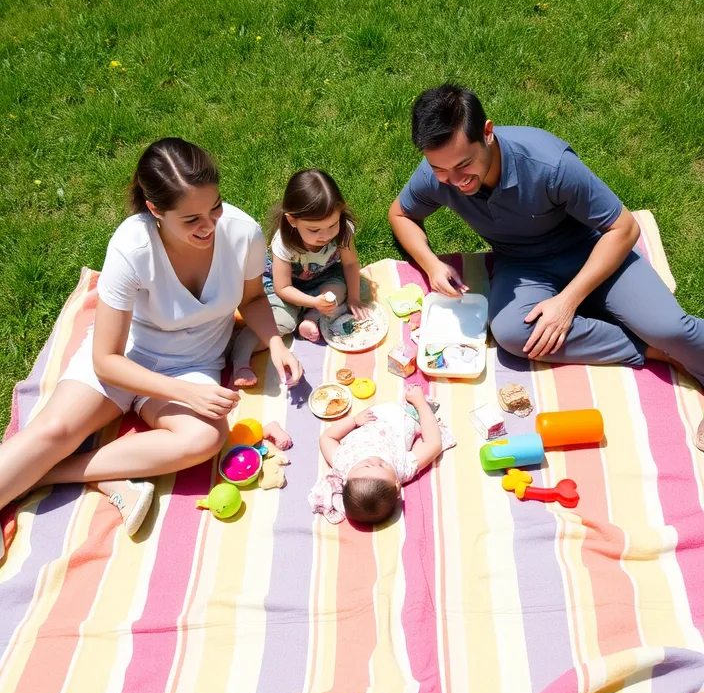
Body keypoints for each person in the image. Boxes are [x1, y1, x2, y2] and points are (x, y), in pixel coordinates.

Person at [0, 138, 303, 559]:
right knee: (52, 432)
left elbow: (252, 300)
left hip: (193, 362)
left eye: (215, 207)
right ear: (154, 210)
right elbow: (106, 359)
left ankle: (48, 475)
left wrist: (274, 342)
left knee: (203, 438)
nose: (209, 225)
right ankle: (42, 470)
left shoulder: (243, 233)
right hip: (126, 358)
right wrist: (186, 393)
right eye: (191, 218)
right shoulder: (132, 245)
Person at [389, 84, 704, 451]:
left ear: (487, 133)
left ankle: (666, 340)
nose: (455, 182)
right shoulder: (438, 172)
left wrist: (567, 302)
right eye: (439, 169)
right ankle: (652, 350)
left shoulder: (549, 164)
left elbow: (624, 228)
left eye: (464, 165)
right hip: (523, 265)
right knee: (510, 333)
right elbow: (400, 214)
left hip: (594, 253)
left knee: (668, 326)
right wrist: (430, 264)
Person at [231, 169, 369, 385]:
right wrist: (313, 302)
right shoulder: (285, 243)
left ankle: (311, 318)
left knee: (353, 289)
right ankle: (239, 360)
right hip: (288, 287)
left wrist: (353, 299)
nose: (325, 235)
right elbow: (282, 288)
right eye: (314, 230)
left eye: (333, 224)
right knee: (281, 323)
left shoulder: (343, 232)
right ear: (292, 220)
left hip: (323, 277)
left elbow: (350, 264)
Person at [309, 386, 444, 526]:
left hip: (370, 416)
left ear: (346, 479)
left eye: (365, 465)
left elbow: (326, 438)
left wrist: (353, 421)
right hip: (404, 416)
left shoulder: (343, 463)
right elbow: (433, 444)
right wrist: (421, 404)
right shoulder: (402, 470)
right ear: (396, 486)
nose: (374, 459)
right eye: (382, 466)